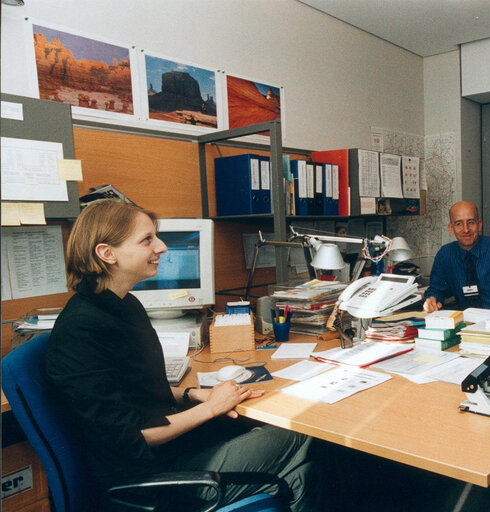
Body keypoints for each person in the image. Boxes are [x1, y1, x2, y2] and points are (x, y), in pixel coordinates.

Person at [45, 200, 321, 511]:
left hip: (176, 449)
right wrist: (212, 408)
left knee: (302, 473)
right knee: (304, 431)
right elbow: (127, 437)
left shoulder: (123, 306)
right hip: (156, 477)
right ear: (107, 254)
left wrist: (192, 394)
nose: (161, 247)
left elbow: (133, 392)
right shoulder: (81, 330)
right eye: (147, 239)